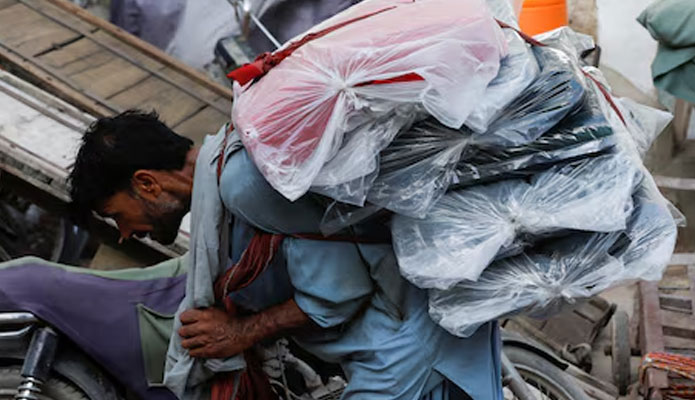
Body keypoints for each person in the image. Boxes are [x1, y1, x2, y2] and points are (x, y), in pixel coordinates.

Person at [68, 110, 502, 400]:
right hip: (397, 331)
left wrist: (239, 333)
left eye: (115, 216)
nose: (123, 235)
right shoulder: (227, 178)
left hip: (409, 339)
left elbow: (337, 292)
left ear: (146, 184)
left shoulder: (240, 184)